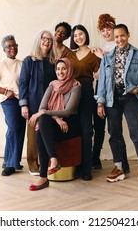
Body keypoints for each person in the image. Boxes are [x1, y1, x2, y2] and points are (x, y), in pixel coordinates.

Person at [95, 23, 138, 189]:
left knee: (137, 133)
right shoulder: (107, 57)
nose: (119, 39)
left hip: (130, 97)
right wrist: (100, 102)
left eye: (122, 35)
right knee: (114, 133)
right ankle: (119, 168)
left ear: (128, 35)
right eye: (116, 37)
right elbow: (102, 82)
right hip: (111, 97)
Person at [28, 58, 81, 191]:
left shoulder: (75, 86)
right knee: (43, 122)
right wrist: (57, 119)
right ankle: (53, 160)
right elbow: (42, 107)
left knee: (43, 121)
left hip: (70, 125)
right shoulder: (52, 85)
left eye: (64, 68)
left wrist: (47, 113)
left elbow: (68, 111)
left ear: (69, 69)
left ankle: (43, 177)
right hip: (56, 123)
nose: (60, 72)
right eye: (58, 69)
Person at [91, 13, 130, 174]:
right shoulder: (100, 47)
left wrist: (102, 57)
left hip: (114, 91)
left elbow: (117, 71)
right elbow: (97, 76)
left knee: (115, 129)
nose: (106, 33)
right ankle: (95, 159)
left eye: (109, 29)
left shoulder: (118, 46)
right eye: (103, 30)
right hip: (100, 89)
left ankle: (123, 164)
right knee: (99, 127)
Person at [0, 35, 26, 176]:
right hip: (9, 101)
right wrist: (5, 91)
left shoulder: (22, 63)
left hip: (22, 101)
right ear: (4, 49)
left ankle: (14, 161)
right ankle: (9, 163)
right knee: (13, 127)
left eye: (14, 45)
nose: (12, 48)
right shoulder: (2, 64)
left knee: (20, 130)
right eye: (9, 46)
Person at [19, 30, 56, 175]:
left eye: (49, 40)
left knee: (45, 132)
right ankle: (33, 164)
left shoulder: (52, 62)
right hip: (33, 102)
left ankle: (45, 163)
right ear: (38, 41)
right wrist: (24, 104)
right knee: (33, 136)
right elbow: (23, 83)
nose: (47, 42)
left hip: (49, 105)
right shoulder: (29, 61)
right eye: (44, 39)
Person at [67, 24, 101, 181]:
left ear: (86, 35)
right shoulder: (70, 55)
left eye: (80, 34)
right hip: (71, 93)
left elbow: (99, 76)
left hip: (87, 92)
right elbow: (63, 74)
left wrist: (102, 56)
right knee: (74, 129)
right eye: (75, 36)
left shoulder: (94, 54)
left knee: (87, 130)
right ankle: (76, 165)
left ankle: (87, 169)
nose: (78, 37)